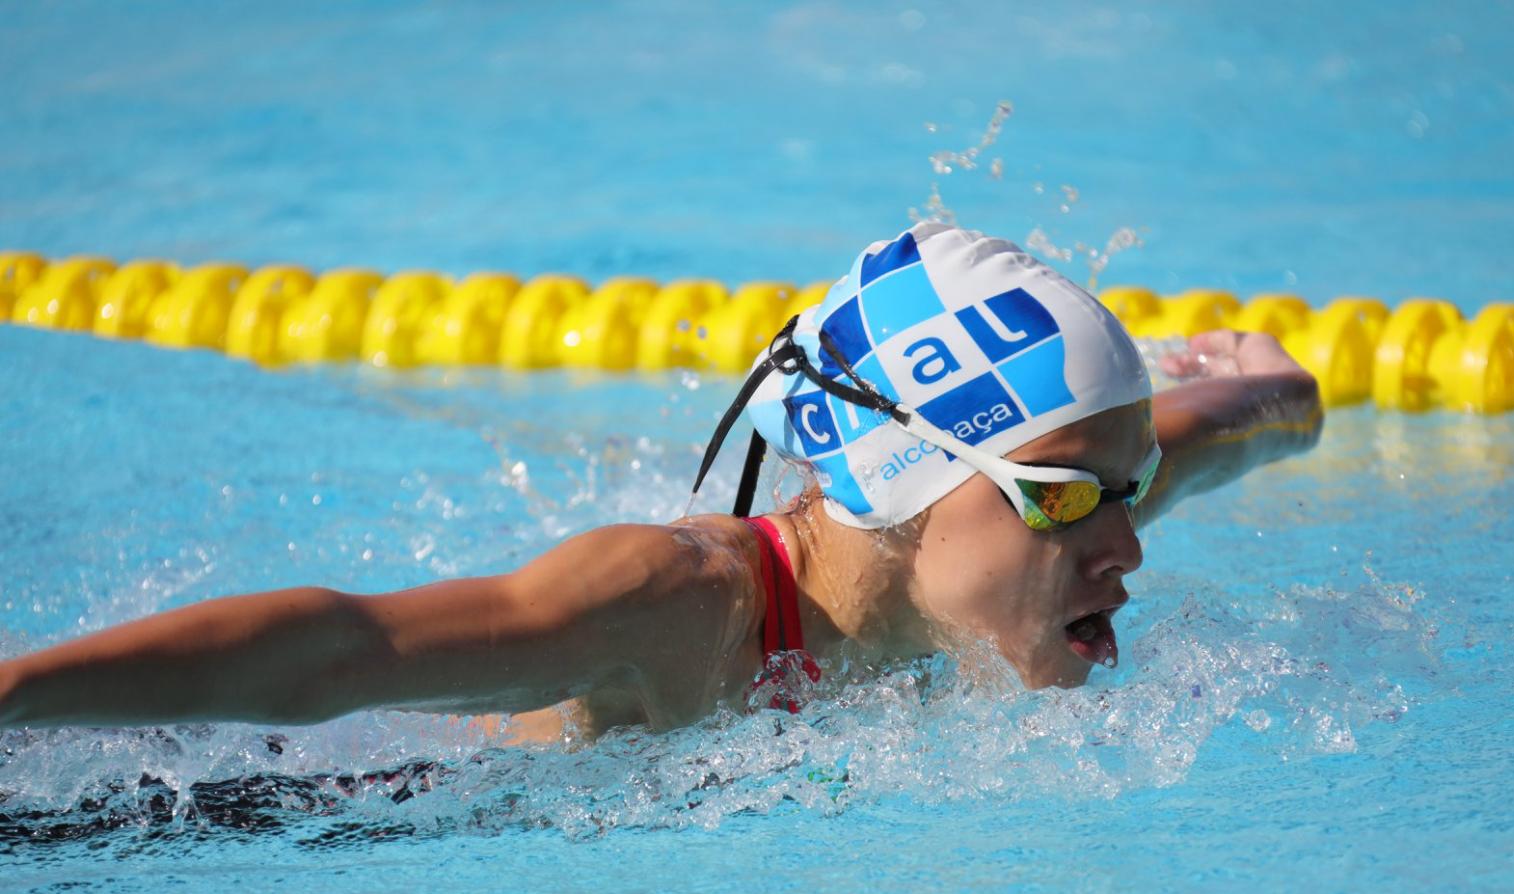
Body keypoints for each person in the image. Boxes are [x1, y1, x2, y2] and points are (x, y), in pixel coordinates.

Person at [0, 224, 1322, 743]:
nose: (1129, 548)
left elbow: (1237, 420)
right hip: (351, 810)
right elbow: (344, 652)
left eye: (1131, 488)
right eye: (1072, 499)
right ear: (899, 482)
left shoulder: (1051, 499)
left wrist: (1279, 389)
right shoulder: (677, 608)